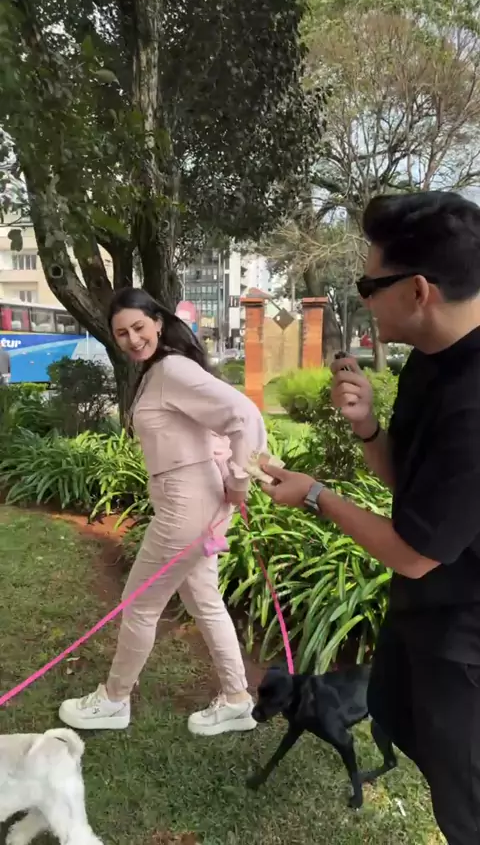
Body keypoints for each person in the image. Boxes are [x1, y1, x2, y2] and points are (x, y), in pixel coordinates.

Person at [260, 191, 480, 845]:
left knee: (468, 809)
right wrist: (366, 427)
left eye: (368, 286)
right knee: (424, 753)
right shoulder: (430, 361)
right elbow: (408, 485)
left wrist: (315, 496)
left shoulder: (473, 405)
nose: (363, 300)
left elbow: (415, 552)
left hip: (466, 642)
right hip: (427, 617)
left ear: (418, 290)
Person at [59, 287, 267, 737]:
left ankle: (114, 699)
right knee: (204, 600)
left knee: (139, 604)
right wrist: (224, 475)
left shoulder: (172, 368)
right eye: (122, 333)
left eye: (138, 327)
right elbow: (208, 427)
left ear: (157, 321)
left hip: (186, 504)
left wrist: (238, 481)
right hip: (192, 499)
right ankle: (237, 699)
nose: (133, 339)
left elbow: (244, 416)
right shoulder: (160, 371)